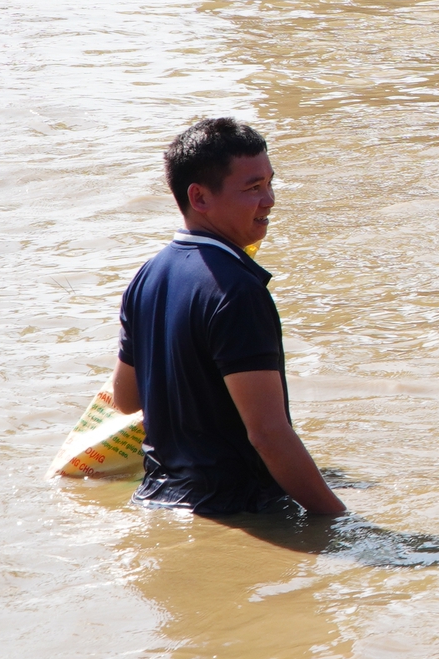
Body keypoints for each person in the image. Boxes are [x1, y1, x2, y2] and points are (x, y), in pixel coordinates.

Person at [106, 118, 346, 520]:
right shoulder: (237, 292)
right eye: (253, 188)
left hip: (158, 504)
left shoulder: (147, 277)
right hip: (237, 513)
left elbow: (126, 400)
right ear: (199, 197)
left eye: (270, 183)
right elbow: (268, 435)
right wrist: (341, 521)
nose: (269, 199)